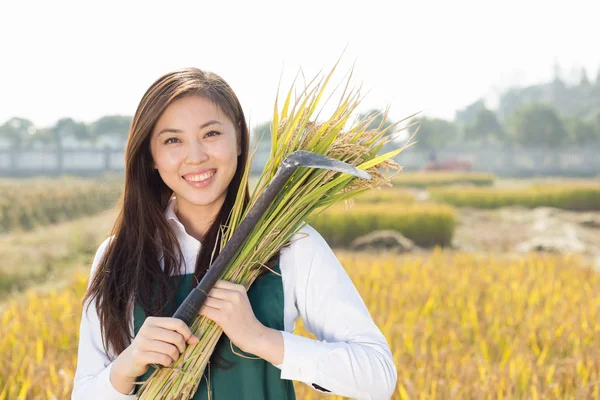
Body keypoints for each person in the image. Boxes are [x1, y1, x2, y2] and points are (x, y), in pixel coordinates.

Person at [72, 67, 397, 400]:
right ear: (151, 157)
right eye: (173, 140)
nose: (196, 156)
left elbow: (377, 376)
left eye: (211, 134)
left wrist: (259, 338)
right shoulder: (118, 256)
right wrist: (128, 365)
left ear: (240, 139)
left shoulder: (291, 244)